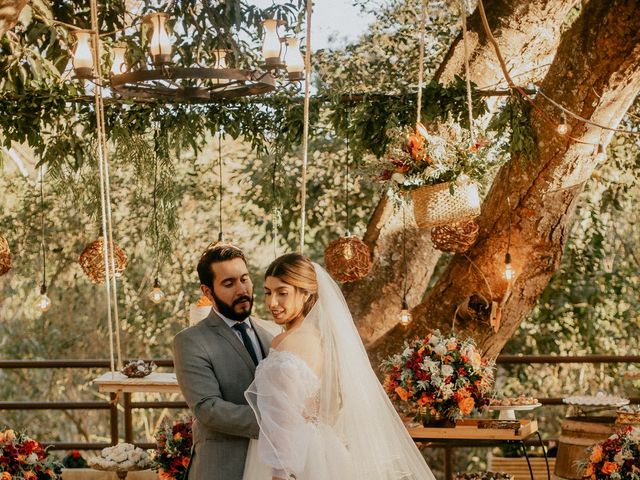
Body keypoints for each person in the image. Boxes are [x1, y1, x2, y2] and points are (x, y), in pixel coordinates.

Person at [243, 253, 435, 480]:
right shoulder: (323, 340)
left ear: (305, 295)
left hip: (291, 460)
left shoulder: (287, 342)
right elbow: (332, 404)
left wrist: (278, 473)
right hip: (324, 450)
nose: (272, 302)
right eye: (268, 292)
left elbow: (284, 419)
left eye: (282, 293)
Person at [173, 243, 276, 480]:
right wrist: (276, 424)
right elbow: (208, 408)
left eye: (244, 279)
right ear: (207, 292)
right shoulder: (190, 341)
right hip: (222, 469)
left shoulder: (271, 334)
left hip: (269, 467)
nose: (241, 289)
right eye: (229, 283)